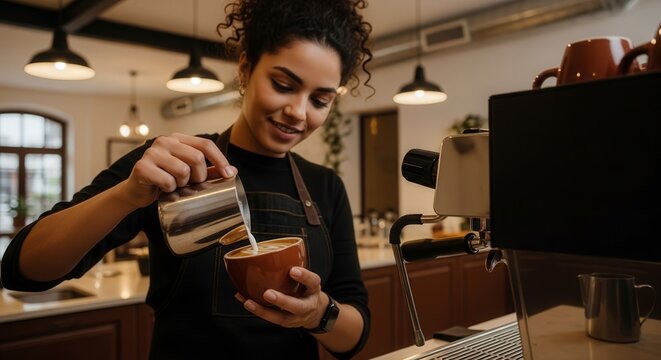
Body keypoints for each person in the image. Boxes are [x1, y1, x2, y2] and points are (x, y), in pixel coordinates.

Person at [1, 0, 373, 358]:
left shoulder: (325, 186)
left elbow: (353, 336)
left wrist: (319, 313)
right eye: (283, 84)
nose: (298, 112)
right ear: (245, 70)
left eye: (320, 101)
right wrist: (126, 195)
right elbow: (22, 269)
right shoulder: (172, 166)